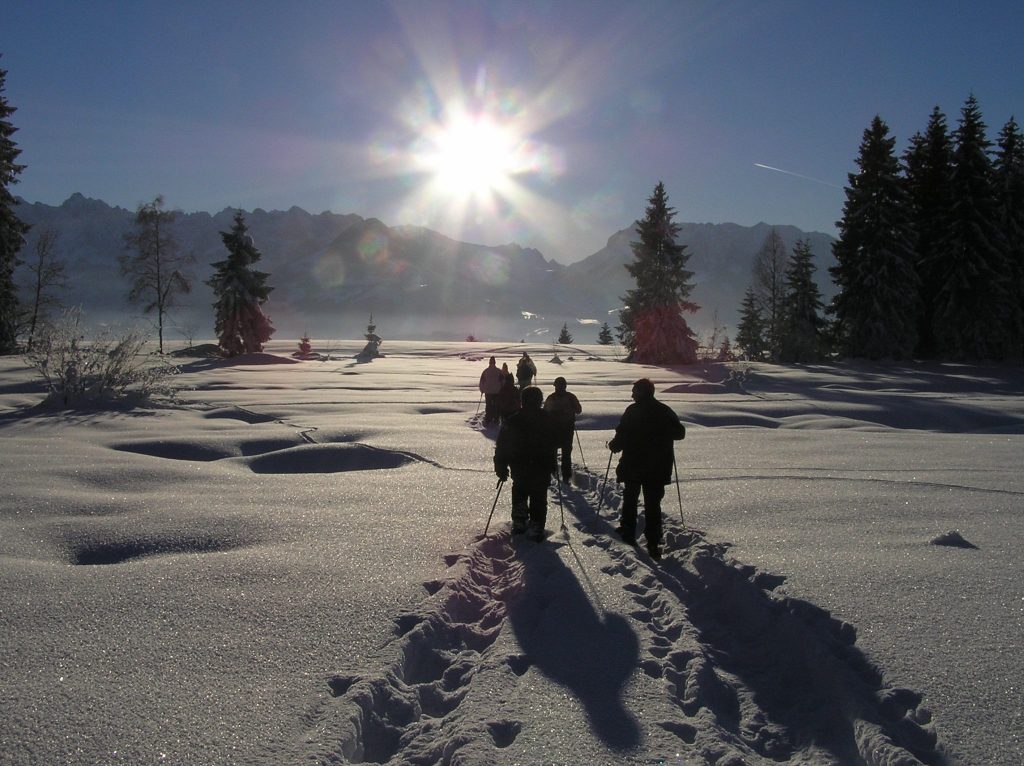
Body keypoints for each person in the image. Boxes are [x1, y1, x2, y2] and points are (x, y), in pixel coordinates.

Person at [608, 378, 685, 560]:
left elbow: (622, 434)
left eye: (634, 391)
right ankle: (652, 540)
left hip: (634, 464)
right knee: (652, 504)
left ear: (642, 392)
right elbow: (679, 433)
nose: (632, 394)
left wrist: (614, 445)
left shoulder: (633, 411)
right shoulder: (664, 411)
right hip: (657, 466)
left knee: (631, 497)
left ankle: (628, 530)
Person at [494, 386, 558, 541]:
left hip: (520, 466)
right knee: (538, 495)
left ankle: (519, 521)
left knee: (520, 491)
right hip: (540, 466)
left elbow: (502, 446)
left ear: (522, 401)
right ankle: (536, 526)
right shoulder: (548, 419)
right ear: (540, 401)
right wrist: (552, 463)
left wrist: (501, 466)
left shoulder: (513, 420)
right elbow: (556, 442)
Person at [543, 376, 582, 482]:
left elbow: (545, 412)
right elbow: (578, 410)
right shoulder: (570, 397)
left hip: (558, 429)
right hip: (564, 428)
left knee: (555, 451)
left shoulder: (552, 397)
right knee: (565, 453)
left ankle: (555, 472)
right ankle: (565, 475)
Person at [478, 356, 504, 425]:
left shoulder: (485, 371)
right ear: (495, 363)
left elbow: (481, 382)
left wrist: (482, 390)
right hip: (497, 391)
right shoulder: (499, 371)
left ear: (489, 362)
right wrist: (502, 389)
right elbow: (503, 381)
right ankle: (496, 418)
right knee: (496, 405)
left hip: (488, 391)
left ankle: (488, 418)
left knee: (488, 405)